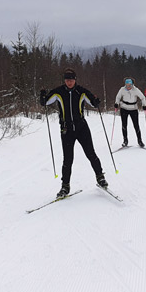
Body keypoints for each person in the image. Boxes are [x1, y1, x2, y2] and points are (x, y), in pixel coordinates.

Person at [39, 68, 108, 198]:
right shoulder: (58, 92)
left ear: (75, 80)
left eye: (71, 80)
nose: (69, 82)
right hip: (67, 129)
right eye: (67, 80)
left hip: (82, 128)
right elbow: (45, 102)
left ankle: (100, 177)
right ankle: (65, 186)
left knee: (91, 153)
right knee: (68, 159)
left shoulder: (81, 91)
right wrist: (42, 95)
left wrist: (96, 101)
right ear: (64, 80)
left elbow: (93, 102)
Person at [114, 77, 146, 148]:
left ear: (132, 84)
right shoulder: (122, 89)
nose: (128, 87)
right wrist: (116, 104)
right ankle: (125, 141)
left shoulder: (136, 90)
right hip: (124, 109)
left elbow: (143, 97)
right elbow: (118, 97)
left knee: (136, 125)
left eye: (130, 85)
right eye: (127, 85)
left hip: (133, 109)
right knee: (124, 125)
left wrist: (144, 105)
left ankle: (140, 141)